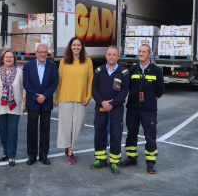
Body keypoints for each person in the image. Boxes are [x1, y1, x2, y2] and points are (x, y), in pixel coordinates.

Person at [119, 44, 165, 174]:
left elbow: (160, 89)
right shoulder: (132, 70)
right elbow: (125, 88)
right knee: (131, 134)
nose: (141, 54)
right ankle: (131, 158)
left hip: (148, 110)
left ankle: (150, 163)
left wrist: (151, 100)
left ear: (149, 54)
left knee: (150, 136)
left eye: (144, 52)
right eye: (139, 51)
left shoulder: (156, 70)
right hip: (132, 109)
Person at [90, 45, 129, 174]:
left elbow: (124, 92)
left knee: (115, 134)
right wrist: (102, 102)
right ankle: (101, 160)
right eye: (109, 54)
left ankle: (114, 162)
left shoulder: (124, 72)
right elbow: (93, 89)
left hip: (116, 109)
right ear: (106, 56)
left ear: (118, 57)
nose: (111, 56)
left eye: (114, 54)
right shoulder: (99, 71)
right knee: (100, 133)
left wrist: (111, 104)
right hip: (100, 108)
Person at [54, 36, 93, 165]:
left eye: (78, 45)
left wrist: (88, 97)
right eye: (74, 45)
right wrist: (56, 98)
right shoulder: (64, 62)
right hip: (65, 98)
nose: (76, 47)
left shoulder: (88, 62)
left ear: (82, 47)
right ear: (70, 47)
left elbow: (90, 81)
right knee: (66, 126)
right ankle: (70, 151)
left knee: (77, 125)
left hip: (81, 99)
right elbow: (59, 81)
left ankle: (69, 145)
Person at [0, 50, 26, 166]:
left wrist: (24, 104)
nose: (9, 59)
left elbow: (24, 90)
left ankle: (12, 155)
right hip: (0, 106)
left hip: (14, 107)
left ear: (14, 59)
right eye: (6, 57)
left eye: (11, 57)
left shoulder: (19, 72)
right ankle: (5, 152)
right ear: (2, 59)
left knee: (12, 131)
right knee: (3, 131)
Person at [23, 43, 59, 165]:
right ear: (36, 53)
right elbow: (26, 84)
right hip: (33, 103)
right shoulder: (28, 66)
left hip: (46, 102)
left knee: (45, 130)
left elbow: (55, 83)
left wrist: (45, 96)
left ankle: (44, 155)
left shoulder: (52, 66)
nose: (43, 54)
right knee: (31, 129)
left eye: (45, 52)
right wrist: (35, 96)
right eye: (41, 52)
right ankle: (32, 155)